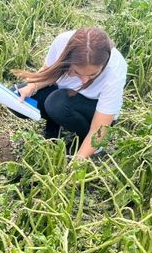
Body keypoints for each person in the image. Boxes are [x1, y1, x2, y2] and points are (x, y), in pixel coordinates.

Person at [12, 27, 127, 160]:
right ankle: (56, 122)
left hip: (94, 110)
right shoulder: (62, 42)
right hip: (64, 96)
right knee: (16, 97)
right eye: (77, 72)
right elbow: (48, 71)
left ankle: (86, 139)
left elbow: (100, 128)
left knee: (57, 103)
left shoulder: (115, 69)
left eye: (93, 74)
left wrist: (79, 159)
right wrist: (32, 86)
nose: (84, 80)